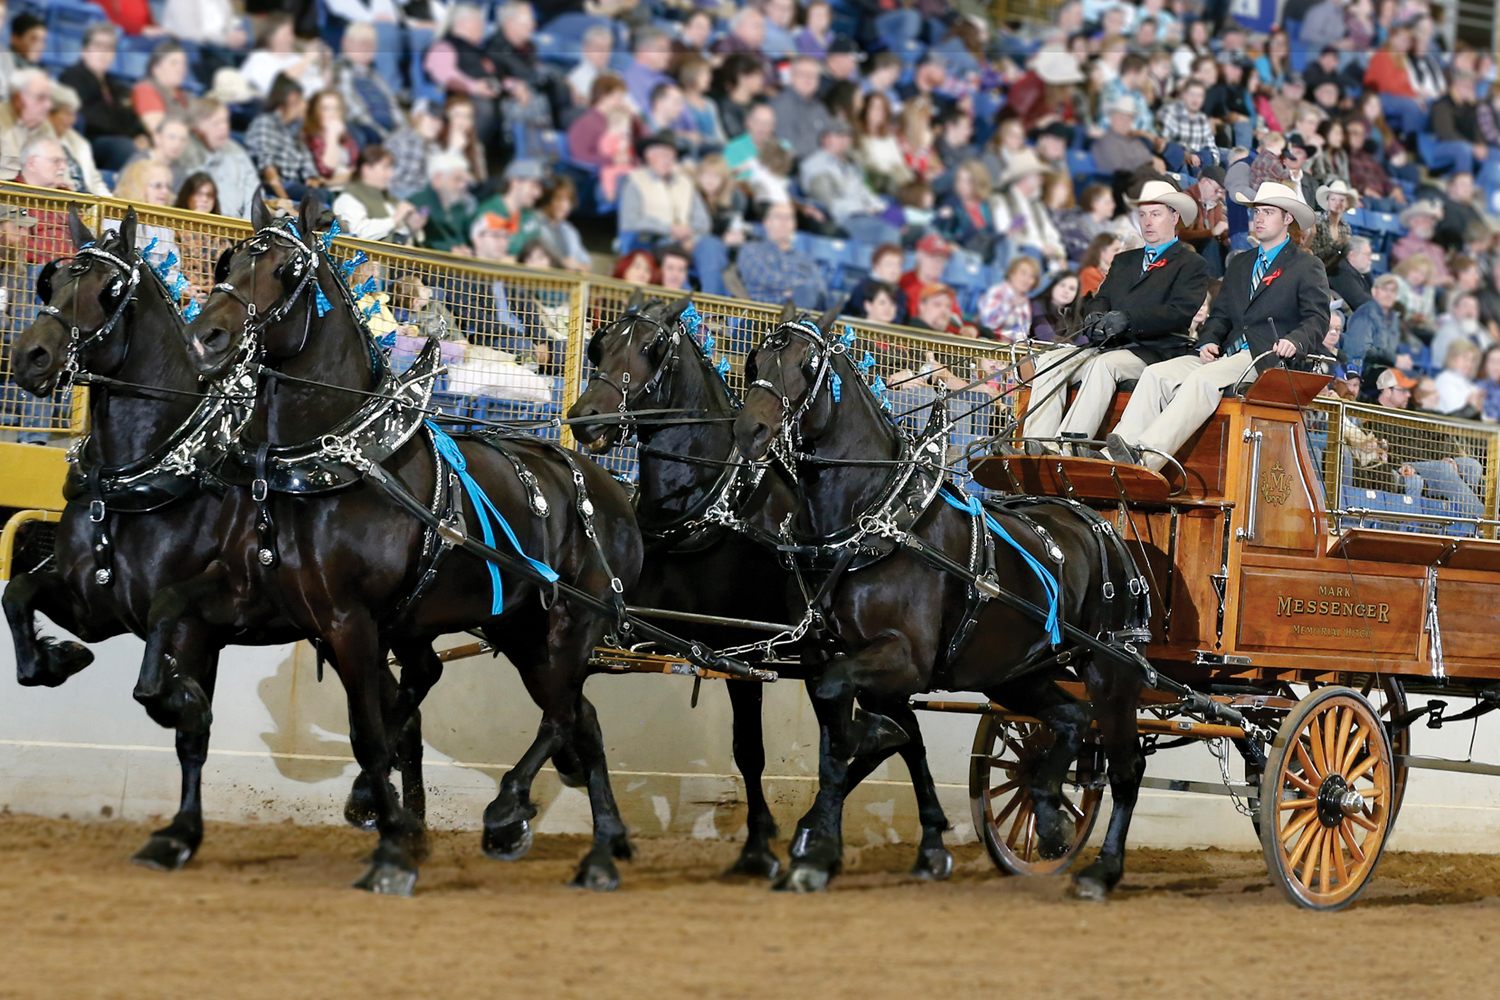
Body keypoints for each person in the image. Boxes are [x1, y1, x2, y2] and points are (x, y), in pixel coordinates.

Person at [1106, 182, 1330, 472]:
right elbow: (1221, 314)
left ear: (1288, 218)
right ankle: (1118, 453)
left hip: (1266, 356)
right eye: (1257, 211)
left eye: (1268, 212)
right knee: (1156, 374)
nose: (1259, 218)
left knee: (1204, 380)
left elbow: (1317, 318)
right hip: (1226, 354)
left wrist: (1296, 341)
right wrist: (1209, 339)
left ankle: (1147, 457)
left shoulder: (1306, 265)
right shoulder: (1240, 263)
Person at [1020, 180, 1210, 454]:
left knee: (1105, 365)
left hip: (1154, 350)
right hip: (1108, 345)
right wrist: (1096, 313)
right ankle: (1035, 443)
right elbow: (1103, 297)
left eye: (1155, 214)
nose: (1148, 222)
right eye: (1143, 215)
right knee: (1051, 360)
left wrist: (1128, 319)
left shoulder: (1192, 264)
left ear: (1174, 216)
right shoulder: (1124, 260)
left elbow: (1177, 314)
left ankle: (1068, 446)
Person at [59, 23, 147, 172]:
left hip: (115, 140)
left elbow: (131, 118)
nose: (104, 52)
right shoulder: (72, 77)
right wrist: (128, 137)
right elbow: (88, 118)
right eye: (98, 45)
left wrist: (139, 135)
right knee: (124, 147)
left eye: (109, 47)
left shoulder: (115, 86)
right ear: (84, 50)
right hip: (86, 141)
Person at [798, 120, 896, 246]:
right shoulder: (814, 164)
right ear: (825, 138)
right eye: (839, 135)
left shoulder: (851, 167)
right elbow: (828, 203)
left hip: (864, 216)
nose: (845, 139)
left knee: (899, 222)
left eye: (848, 135)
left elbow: (865, 193)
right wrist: (863, 210)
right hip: (840, 220)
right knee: (886, 230)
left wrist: (883, 209)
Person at [617, 132, 710, 251]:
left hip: (689, 241)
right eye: (663, 155)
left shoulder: (686, 182)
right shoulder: (634, 181)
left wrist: (691, 237)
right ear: (648, 155)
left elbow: (703, 221)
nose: (668, 160)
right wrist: (669, 229)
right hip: (654, 240)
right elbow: (630, 222)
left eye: (672, 156)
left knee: (711, 245)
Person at [177, 97, 257, 219]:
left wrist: (248, 225)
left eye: (225, 121)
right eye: (216, 123)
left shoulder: (235, 149)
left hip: (241, 227)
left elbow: (253, 190)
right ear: (196, 129)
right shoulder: (184, 152)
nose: (224, 127)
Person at [736, 201, 826, 309]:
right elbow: (765, 277)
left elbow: (820, 286)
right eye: (778, 217)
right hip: (764, 314)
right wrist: (798, 289)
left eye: (788, 218)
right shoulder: (751, 249)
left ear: (794, 224)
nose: (784, 222)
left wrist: (796, 292)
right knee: (807, 292)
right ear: (766, 222)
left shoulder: (804, 258)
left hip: (804, 310)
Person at [245, 75, 320, 202]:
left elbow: (309, 167)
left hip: (296, 186)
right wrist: (285, 201)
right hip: (273, 188)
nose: (306, 105)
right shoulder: (265, 123)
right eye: (303, 100)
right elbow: (268, 169)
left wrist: (313, 183)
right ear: (292, 98)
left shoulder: (296, 131)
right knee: (322, 197)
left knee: (325, 197)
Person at [333, 145, 420, 243]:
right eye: (385, 168)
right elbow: (357, 234)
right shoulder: (349, 198)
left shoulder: (388, 197)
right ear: (367, 169)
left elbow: (404, 232)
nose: (390, 174)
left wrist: (414, 227)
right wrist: (394, 219)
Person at [334, 22, 404, 144]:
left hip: (388, 135)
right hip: (365, 132)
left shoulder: (377, 77)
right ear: (346, 43)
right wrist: (384, 134)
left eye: (371, 43)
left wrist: (401, 132)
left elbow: (393, 107)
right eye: (362, 42)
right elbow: (354, 112)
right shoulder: (340, 71)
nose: (366, 47)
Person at [241, 14, 327, 98]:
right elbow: (279, 88)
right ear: (272, 37)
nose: (292, 38)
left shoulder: (296, 59)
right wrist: (306, 60)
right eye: (287, 34)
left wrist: (326, 63)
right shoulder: (259, 58)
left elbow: (321, 84)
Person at [474, 158, 545, 257]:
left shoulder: (531, 217)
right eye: (534, 185)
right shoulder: (489, 211)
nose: (539, 194)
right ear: (515, 182)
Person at [46, 85, 109, 197]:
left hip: (87, 203)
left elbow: (95, 182)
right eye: (66, 113)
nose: (72, 120)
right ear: (50, 113)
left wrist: (109, 204)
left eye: (74, 114)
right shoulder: (37, 140)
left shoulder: (79, 142)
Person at [411, 151, 475, 253]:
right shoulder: (418, 202)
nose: (462, 186)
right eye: (457, 180)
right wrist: (449, 250)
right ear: (438, 178)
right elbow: (418, 243)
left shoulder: (459, 206)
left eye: (464, 181)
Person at [770, 56, 832, 160]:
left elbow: (829, 139)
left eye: (812, 75)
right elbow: (785, 146)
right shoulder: (781, 105)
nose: (808, 78)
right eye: (803, 74)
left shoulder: (820, 107)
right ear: (792, 76)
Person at [0, 69, 53, 181]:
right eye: (40, 98)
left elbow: (59, 174)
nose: (48, 105)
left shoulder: (45, 126)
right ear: (19, 98)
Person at [132, 40, 193, 135]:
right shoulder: (145, 89)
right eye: (174, 63)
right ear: (156, 68)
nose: (181, 68)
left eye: (183, 63)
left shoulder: (186, 94)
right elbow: (159, 131)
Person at [303, 90, 360, 190]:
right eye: (326, 109)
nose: (332, 113)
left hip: (349, 187)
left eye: (336, 109)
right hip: (326, 192)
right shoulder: (310, 137)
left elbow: (356, 170)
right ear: (315, 112)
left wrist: (333, 181)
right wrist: (332, 134)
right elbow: (326, 171)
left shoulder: (346, 138)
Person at [977, 256, 1042, 342]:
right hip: (991, 344)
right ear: (1012, 274)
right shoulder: (997, 292)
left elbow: (1022, 333)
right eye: (1023, 273)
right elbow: (987, 323)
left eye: (1032, 277)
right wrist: (1009, 305)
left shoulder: (1025, 302)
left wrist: (1023, 344)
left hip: (1013, 349)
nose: (1027, 279)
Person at [533, 176, 590, 274]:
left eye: (569, 201)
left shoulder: (570, 231)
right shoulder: (532, 221)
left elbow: (586, 263)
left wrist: (581, 266)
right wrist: (563, 263)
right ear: (548, 198)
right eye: (559, 199)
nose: (565, 206)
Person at [1391, 200, 1453, 286]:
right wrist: (1440, 281)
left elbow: (1448, 276)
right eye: (1425, 220)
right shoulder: (1402, 245)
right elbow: (1407, 276)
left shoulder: (1438, 249)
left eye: (1432, 221)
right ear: (1412, 222)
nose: (1430, 224)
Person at [1055, 183, 1116, 267]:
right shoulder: (1076, 225)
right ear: (1095, 204)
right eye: (1108, 202)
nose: (1113, 205)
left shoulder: (1110, 226)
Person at [847, 243, 907, 324]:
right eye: (889, 264)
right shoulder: (862, 289)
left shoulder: (901, 294)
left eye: (898, 265)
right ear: (876, 265)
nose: (894, 270)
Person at [899, 233, 953, 315]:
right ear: (919, 256)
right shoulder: (902, 283)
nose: (938, 263)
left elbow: (956, 321)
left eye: (942, 258)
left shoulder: (945, 290)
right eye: (933, 257)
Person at [1031, 272, 1083, 344]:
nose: (1066, 291)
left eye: (1072, 289)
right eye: (1062, 285)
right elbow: (1047, 338)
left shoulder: (1075, 316)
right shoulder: (1037, 306)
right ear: (1053, 286)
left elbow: (1083, 342)